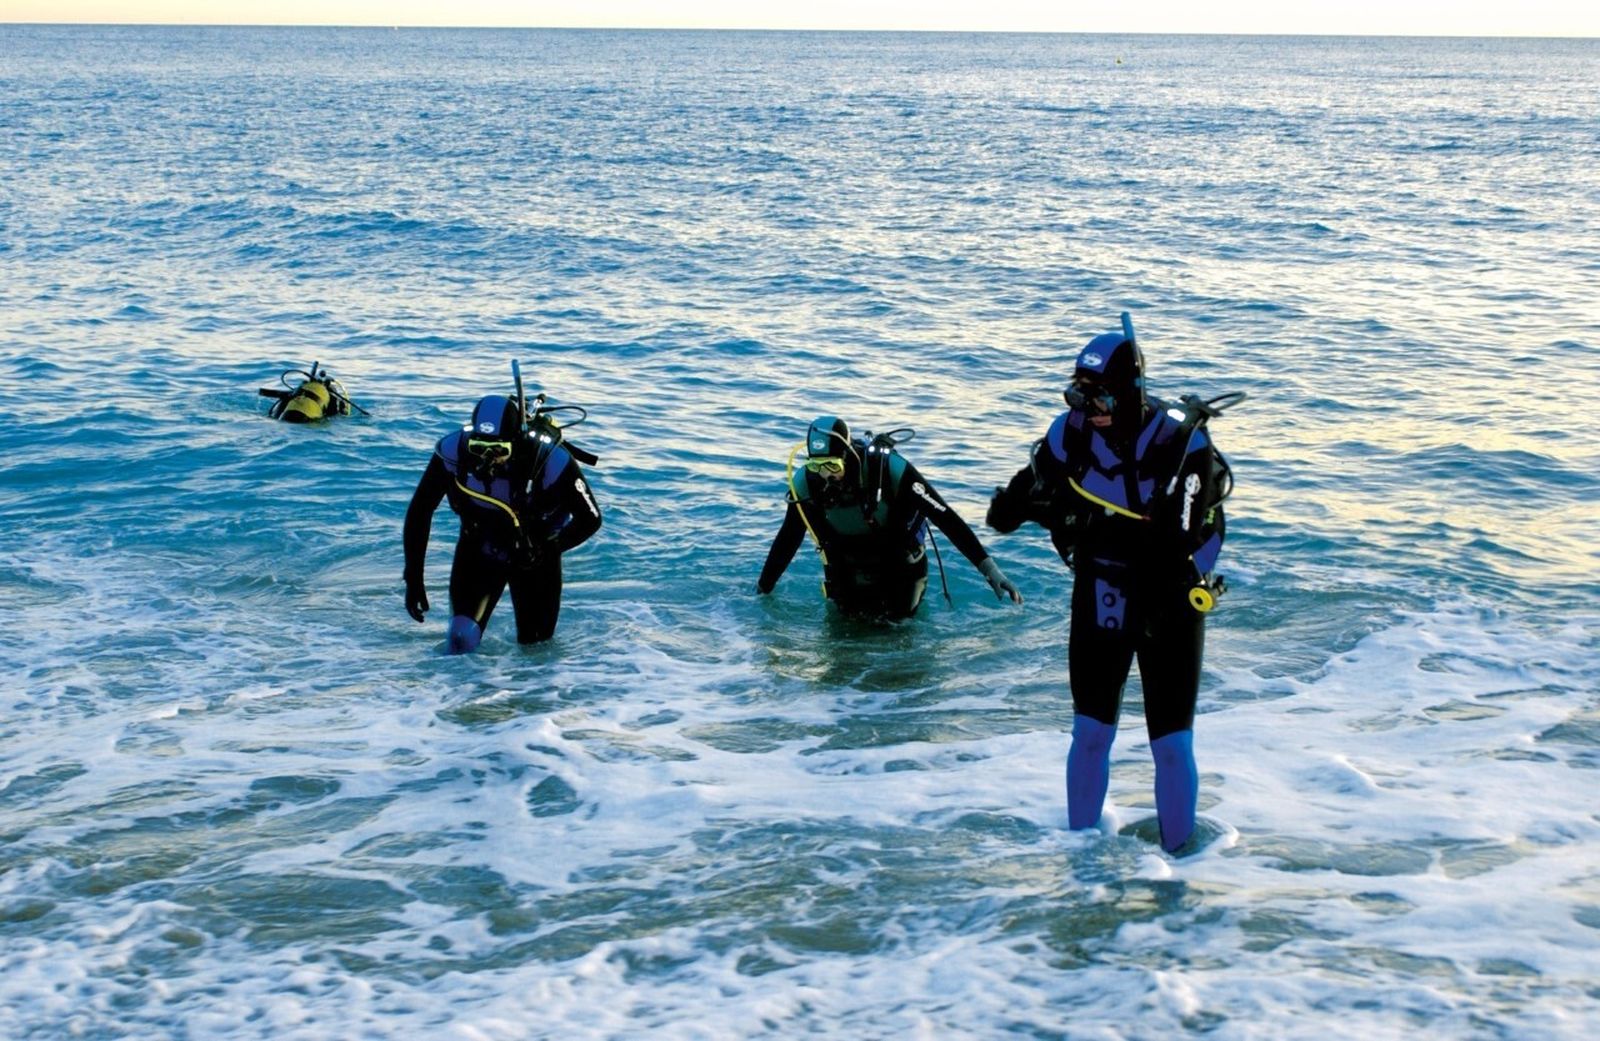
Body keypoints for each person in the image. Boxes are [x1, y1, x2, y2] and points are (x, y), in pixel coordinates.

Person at [986, 317, 1238, 852]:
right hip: (1103, 591)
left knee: (1171, 745)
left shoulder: (1180, 445)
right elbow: (1013, 502)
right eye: (1080, 397)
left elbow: (1184, 538)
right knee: (1091, 735)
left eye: (1100, 399)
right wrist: (1017, 506)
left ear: (1131, 392)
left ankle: (1181, 876)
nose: (1089, 411)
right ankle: (1082, 863)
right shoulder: (1070, 434)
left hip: (1171, 599)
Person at [758, 416, 1022, 619]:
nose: (824, 475)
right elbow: (789, 537)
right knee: (843, 651)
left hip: (900, 567)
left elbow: (945, 517)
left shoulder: (889, 471)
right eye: (816, 466)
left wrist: (990, 570)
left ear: (847, 457)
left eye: (832, 466)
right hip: (849, 569)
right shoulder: (806, 482)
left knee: (897, 642)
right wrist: (764, 589)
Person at [402, 390, 601, 653]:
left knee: (536, 652)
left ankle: (528, 693)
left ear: (515, 443)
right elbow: (420, 511)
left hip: (535, 559)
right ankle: (456, 692)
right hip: (479, 550)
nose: (488, 458)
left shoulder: (550, 461)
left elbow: (591, 518)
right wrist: (414, 578)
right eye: (479, 448)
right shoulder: (453, 453)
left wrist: (543, 548)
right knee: (460, 639)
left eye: (498, 450)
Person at [259, 361, 366, 423]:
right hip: (308, 425)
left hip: (284, 420)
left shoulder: (298, 392)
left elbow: (273, 410)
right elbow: (338, 416)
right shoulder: (330, 397)